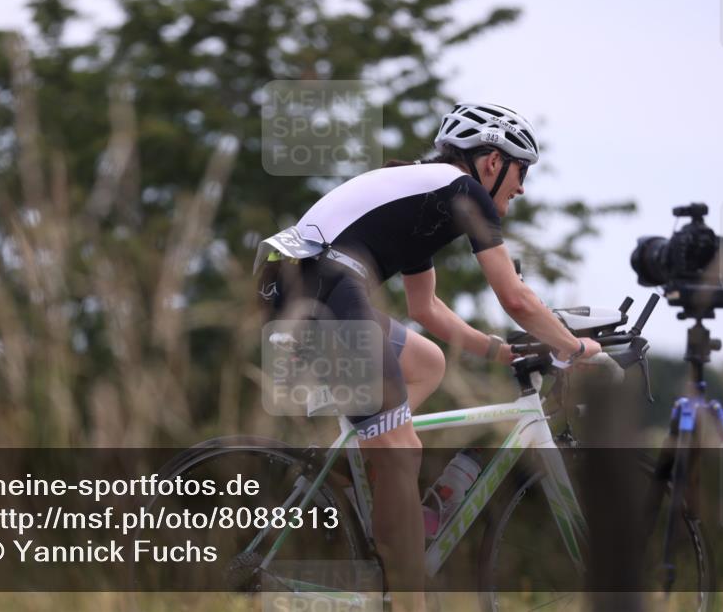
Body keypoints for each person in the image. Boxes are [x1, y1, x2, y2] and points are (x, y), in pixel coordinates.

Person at [256, 102, 602, 612]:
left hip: (298, 277)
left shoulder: (429, 198)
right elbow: (517, 298)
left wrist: (502, 352)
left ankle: (360, 489)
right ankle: (408, 599)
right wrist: (574, 350)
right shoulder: (462, 192)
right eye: (520, 171)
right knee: (403, 449)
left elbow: (428, 309)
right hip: (320, 281)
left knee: (426, 362)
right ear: (491, 162)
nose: (522, 187)